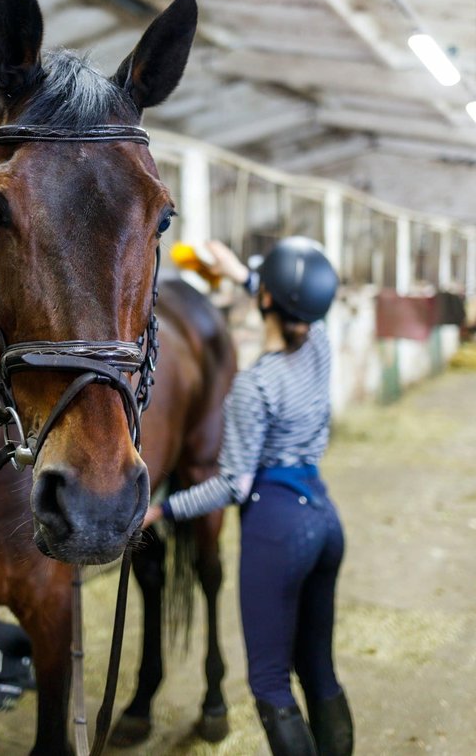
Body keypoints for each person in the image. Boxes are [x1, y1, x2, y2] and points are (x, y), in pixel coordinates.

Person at [143, 236, 353, 756]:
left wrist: (163, 508)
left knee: (270, 684)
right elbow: (301, 307)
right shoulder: (321, 348)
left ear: (265, 304)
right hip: (325, 520)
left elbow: (232, 485)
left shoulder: (254, 385)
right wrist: (243, 275)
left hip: (278, 528)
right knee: (319, 670)